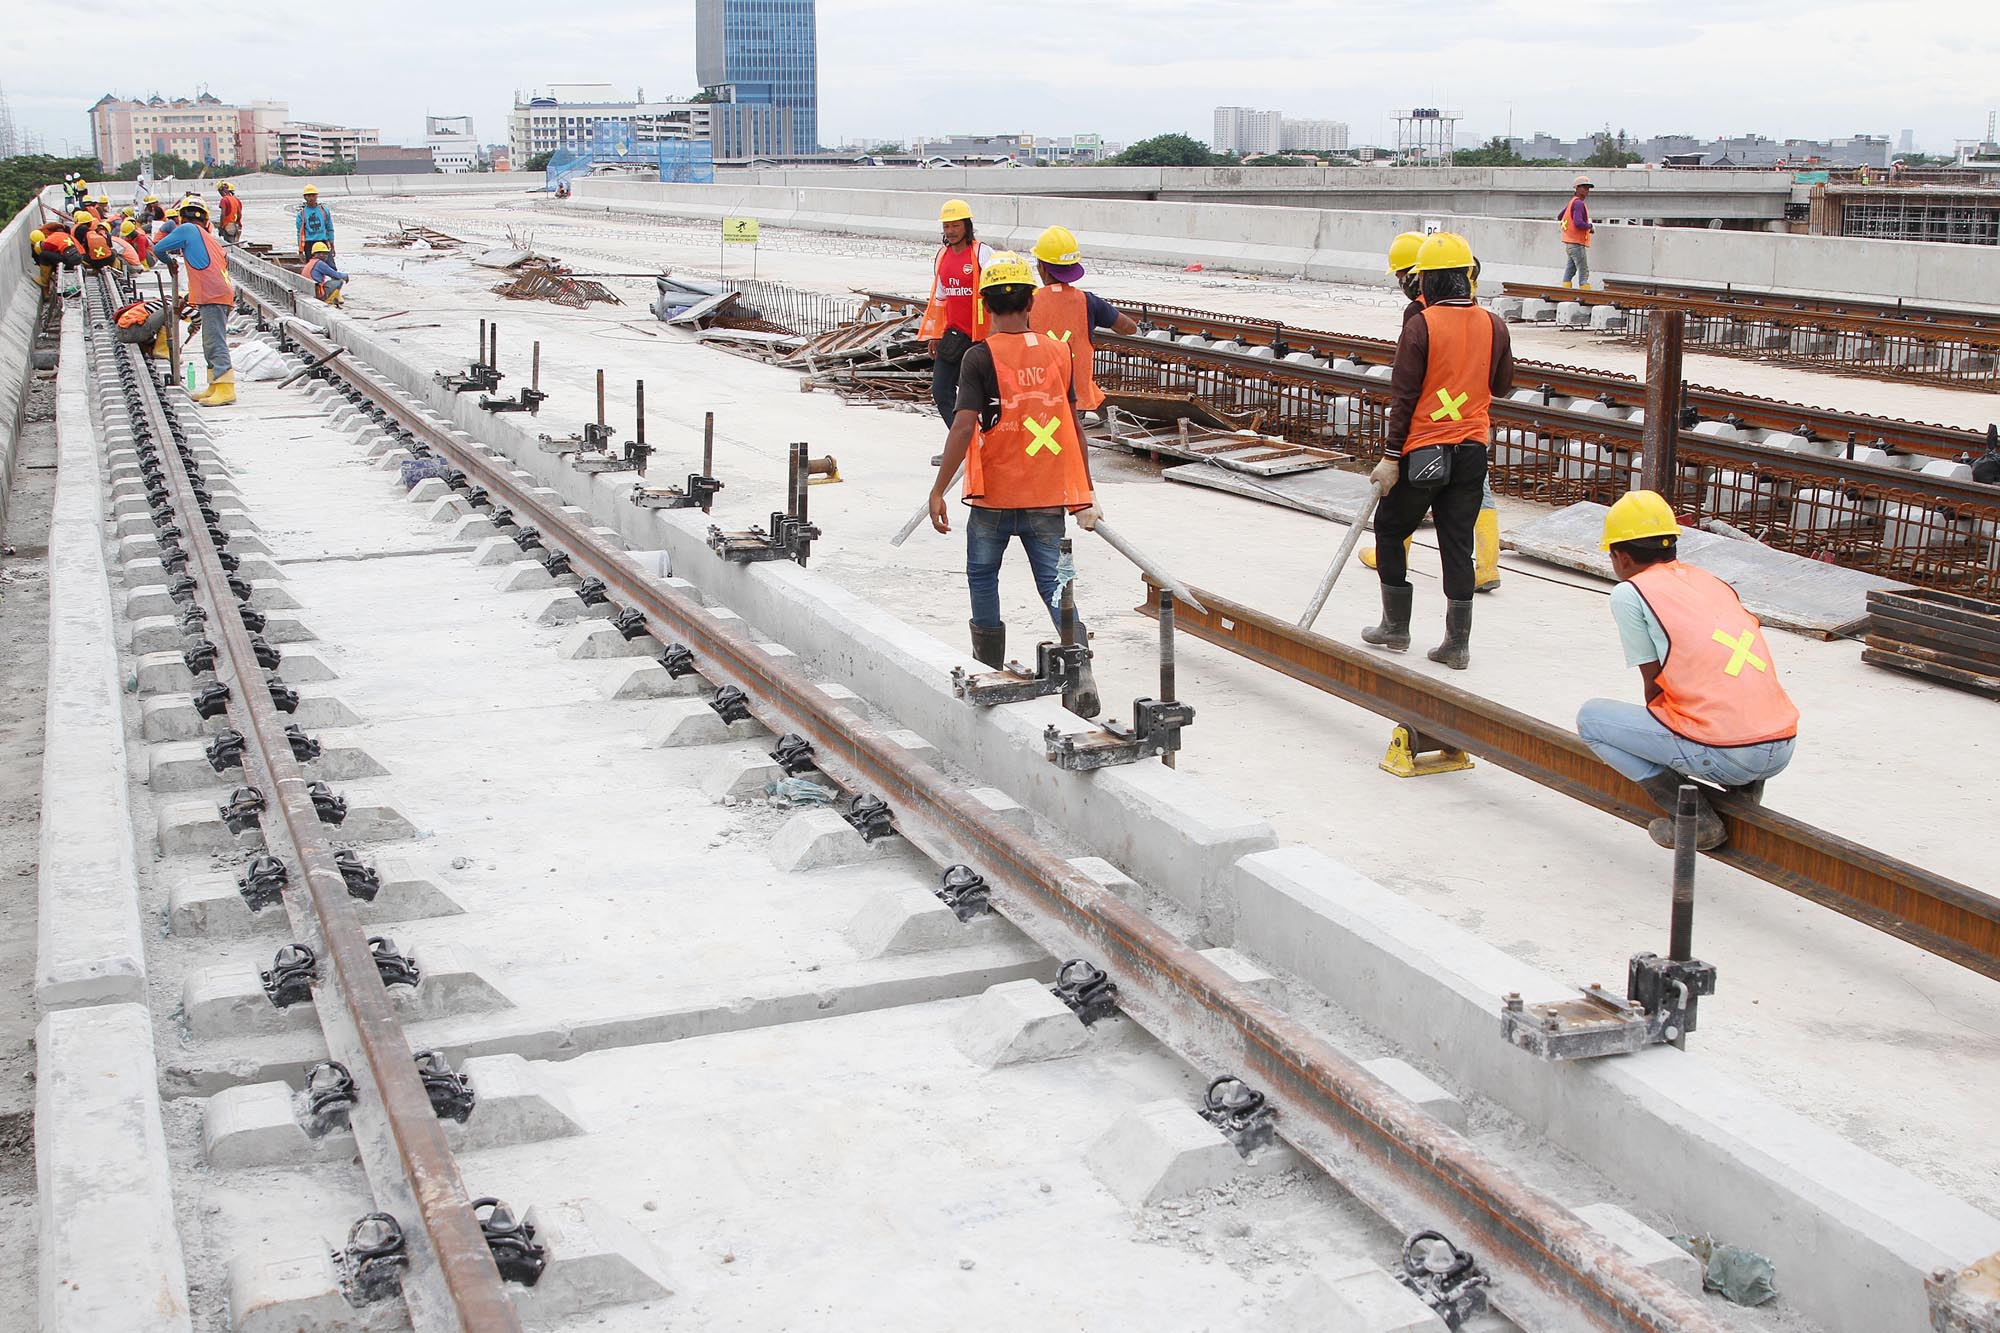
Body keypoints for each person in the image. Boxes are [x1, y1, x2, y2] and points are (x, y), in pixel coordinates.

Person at [926, 251, 1102, 716]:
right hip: (1048, 493)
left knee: (983, 577)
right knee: (1056, 585)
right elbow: (1072, 424)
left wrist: (939, 489)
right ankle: (1080, 674)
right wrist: (1086, 492)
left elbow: (963, 426)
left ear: (985, 306)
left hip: (994, 496)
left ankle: (988, 666)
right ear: (1031, 303)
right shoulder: (1058, 352)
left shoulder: (978, 356)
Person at [1576, 490, 1798, 850]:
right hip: (1783, 744)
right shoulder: (1711, 581)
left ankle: (1694, 821)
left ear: (1621, 556)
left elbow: (1654, 687)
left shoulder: (1631, 593)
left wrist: (1669, 740)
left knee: (1592, 721)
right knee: (1721, 705)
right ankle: (1742, 794)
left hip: (1729, 753)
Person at [1361, 231, 1513, 669]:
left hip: (1425, 450)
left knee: (1390, 528)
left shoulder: (1421, 325)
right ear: (1467, 276)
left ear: (1425, 280)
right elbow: (1501, 386)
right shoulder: (1494, 324)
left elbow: (1403, 396)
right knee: (1456, 542)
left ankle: (1394, 628)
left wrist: (1391, 458)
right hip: (1471, 449)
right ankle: (1456, 644)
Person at [1028, 225, 1138, 425]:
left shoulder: (1028, 302)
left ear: (1041, 267)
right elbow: (1129, 328)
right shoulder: (1088, 302)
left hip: (1038, 394)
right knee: (1072, 445)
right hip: (1075, 396)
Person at [917, 199, 994, 462]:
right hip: (953, 337)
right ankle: (967, 445)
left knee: (980, 397)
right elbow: (940, 299)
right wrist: (936, 334)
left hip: (980, 339)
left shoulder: (983, 254)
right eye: (947, 226)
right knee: (941, 392)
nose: (950, 231)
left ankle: (983, 446)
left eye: (955, 225)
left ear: (967, 226)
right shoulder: (942, 256)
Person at [149, 198, 237, 407]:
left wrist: (170, 263)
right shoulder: (208, 237)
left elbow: (159, 248)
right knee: (210, 340)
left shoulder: (187, 229)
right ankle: (214, 384)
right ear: (206, 219)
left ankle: (226, 388)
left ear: (181, 217)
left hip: (213, 294)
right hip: (217, 292)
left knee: (214, 341)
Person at [1558, 176, 1594, 289]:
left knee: (1571, 269)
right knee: (1583, 269)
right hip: (1576, 243)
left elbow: (1560, 216)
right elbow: (1578, 223)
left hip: (1569, 243)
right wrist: (1589, 226)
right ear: (1577, 188)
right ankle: (1584, 289)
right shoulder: (1578, 204)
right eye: (1584, 187)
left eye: (1588, 188)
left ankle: (1566, 287)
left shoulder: (1572, 202)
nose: (1587, 190)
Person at [297, 185, 334, 261]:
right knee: (312, 267)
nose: (311, 198)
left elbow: (330, 229)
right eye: (309, 196)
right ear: (305, 197)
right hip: (309, 244)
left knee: (330, 266)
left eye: (313, 195)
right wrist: (301, 251)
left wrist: (332, 245)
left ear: (316, 196)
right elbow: (300, 233)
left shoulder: (324, 211)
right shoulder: (302, 214)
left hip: (323, 242)